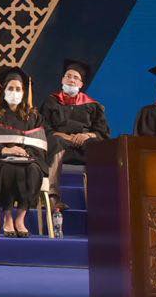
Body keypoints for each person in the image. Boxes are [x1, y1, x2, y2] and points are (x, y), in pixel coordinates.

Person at [0, 67, 48, 237]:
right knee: (8, 169)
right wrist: (5, 150)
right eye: (11, 88)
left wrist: (24, 153)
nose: (14, 92)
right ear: (3, 90)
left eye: (18, 89)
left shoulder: (33, 116)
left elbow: (39, 145)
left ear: (24, 92)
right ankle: (7, 217)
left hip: (28, 160)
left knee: (34, 170)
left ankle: (20, 217)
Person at [40, 59, 109, 209]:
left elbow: (102, 132)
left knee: (97, 146)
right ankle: (52, 197)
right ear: (62, 80)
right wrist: (63, 135)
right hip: (58, 145)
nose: (71, 80)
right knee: (55, 141)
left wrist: (87, 136)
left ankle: (97, 201)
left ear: (81, 84)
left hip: (83, 146)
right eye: (68, 76)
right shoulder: (51, 102)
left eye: (76, 77)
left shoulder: (93, 105)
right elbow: (43, 127)